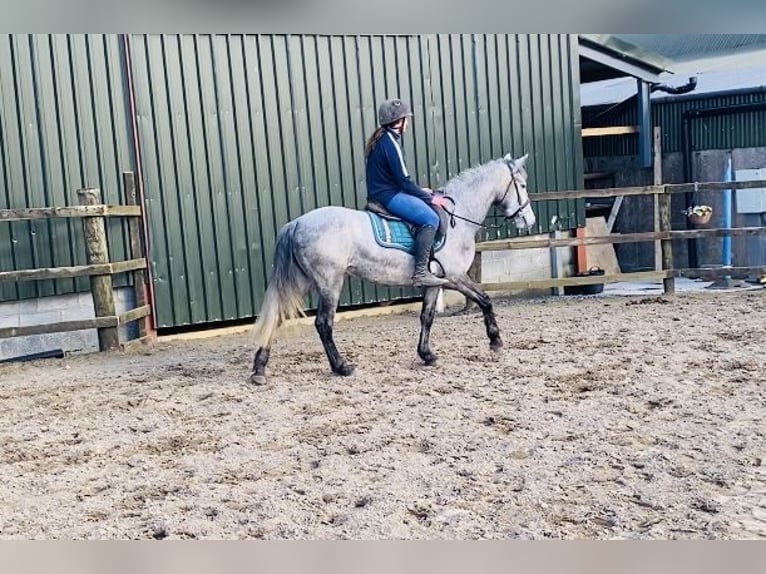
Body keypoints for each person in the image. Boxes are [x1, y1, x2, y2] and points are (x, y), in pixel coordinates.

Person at [364, 98, 448, 287]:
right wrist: (429, 197)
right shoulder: (390, 143)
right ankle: (420, 272)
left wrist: (419, 190)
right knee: (431, 219)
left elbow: (398, 178)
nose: (408, 123)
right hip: (389, 195)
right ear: (399, 121)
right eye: (406, 119)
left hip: (386, 191)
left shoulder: (383, 138)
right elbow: (403, 180)